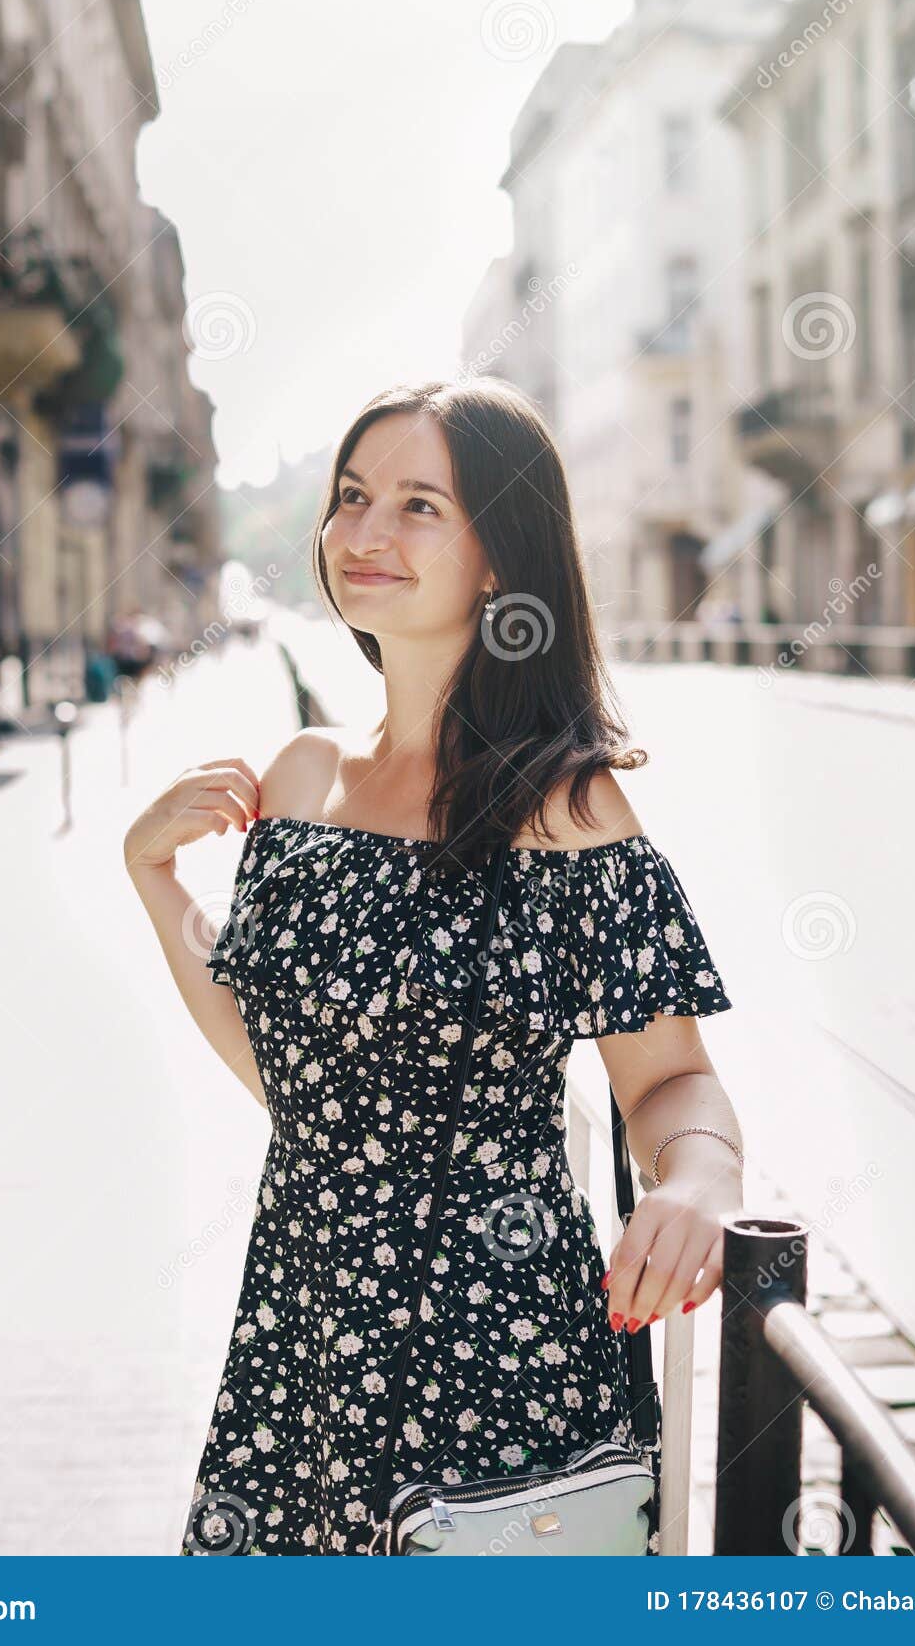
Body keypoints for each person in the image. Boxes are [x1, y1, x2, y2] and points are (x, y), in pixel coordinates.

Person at [123, 377, 744, 1557]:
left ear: (502, 558)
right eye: (353, 497)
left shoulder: (567, 802)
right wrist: (158, 886)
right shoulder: (302, 777)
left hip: (503, 1361)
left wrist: (700, 1181)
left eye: (418, 506)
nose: (364, 533)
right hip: (305, 1347)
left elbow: (670, 1079)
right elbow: (288, 1071)